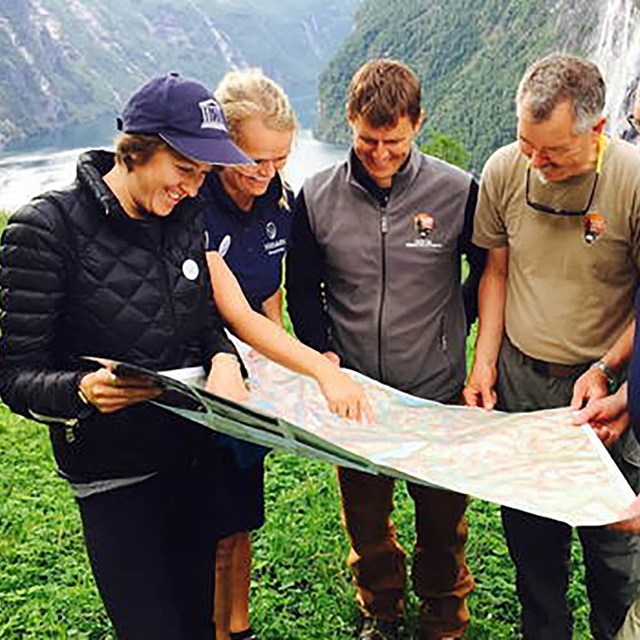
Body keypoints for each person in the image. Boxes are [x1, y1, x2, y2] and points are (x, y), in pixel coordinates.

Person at [0, 73, 371, 640]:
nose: (195, 189)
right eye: (185, 171)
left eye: (202, 175)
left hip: (188, 457)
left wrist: (223, 360)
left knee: (198, 622)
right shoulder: (45, 229)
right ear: (138, 150)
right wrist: (81, 392)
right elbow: (16, 375)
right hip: (114, 471)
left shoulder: (183, 219)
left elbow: (207, 324)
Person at [286, 58, 485, 640]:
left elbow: (487, 268)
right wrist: (322, 354)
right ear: (350, 119)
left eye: (393, 140)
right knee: (367, 522)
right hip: (358, 396)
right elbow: (302, 283)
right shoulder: (315, 196)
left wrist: (457, 322)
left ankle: (444, 618)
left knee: (443, 521)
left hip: (437, 389)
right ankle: (382, 611)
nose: (379, 153)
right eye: (368, 139)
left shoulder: (455, 190)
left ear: (418, 123)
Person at [463, 53, 640, 640]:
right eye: (526, 144)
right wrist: (485, 362)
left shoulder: (632, 181)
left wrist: (607, 366)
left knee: (613, 550)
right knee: (533, 542)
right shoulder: (505, 170)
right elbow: (496, 272)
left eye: (553, 152)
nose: (535, 163)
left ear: (597, 129)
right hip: (522, 383)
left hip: (604, 395)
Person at [200, 68, 296, 640]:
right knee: (206, 520)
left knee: (242, 514)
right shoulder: (194, 199)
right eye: (254, 159)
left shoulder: (279, 201)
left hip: (249, 377)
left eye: (279, 159)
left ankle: (237, 626)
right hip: (199, 374)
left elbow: (268, 292)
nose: (266, 173)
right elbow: (226, 308)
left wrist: (277, 363)